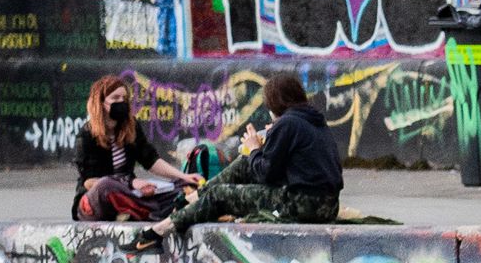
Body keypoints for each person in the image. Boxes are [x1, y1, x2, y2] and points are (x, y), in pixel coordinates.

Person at [132, 71, 341, 252]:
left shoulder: (288, 123)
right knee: (242, 164)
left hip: (303, 205)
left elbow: (264, 174)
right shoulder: (314, 121)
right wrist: (266, 146)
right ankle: (190, 198)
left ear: (274, 105)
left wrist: (254, 149)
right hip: (328, 205)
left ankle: (157, 232)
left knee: (219, 195)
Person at [69, 73, 182, 223]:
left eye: (124, 98)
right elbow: (89, 182)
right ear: (101, 103)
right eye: (115, 98)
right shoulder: (86, 135)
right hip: (96, 201)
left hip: (129, 193)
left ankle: (139, 210)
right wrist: (129, 184)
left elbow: (151, 160)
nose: (121, 102)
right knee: (105, 185)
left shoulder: (130, 126)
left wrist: (183, 177)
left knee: (180, 187)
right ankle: (150, 210)